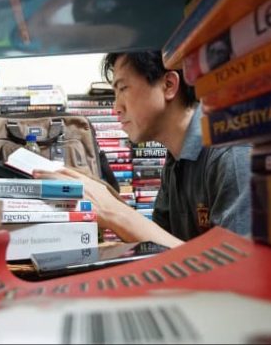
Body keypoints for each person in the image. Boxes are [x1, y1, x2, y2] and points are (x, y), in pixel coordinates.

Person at [34, 51, 251, 248]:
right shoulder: (175, 159)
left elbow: (236, 270)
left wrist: (114, 212)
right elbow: (159, 248)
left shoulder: (231, 153)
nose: (116, 107)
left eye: (123, 88)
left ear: (168, 85)